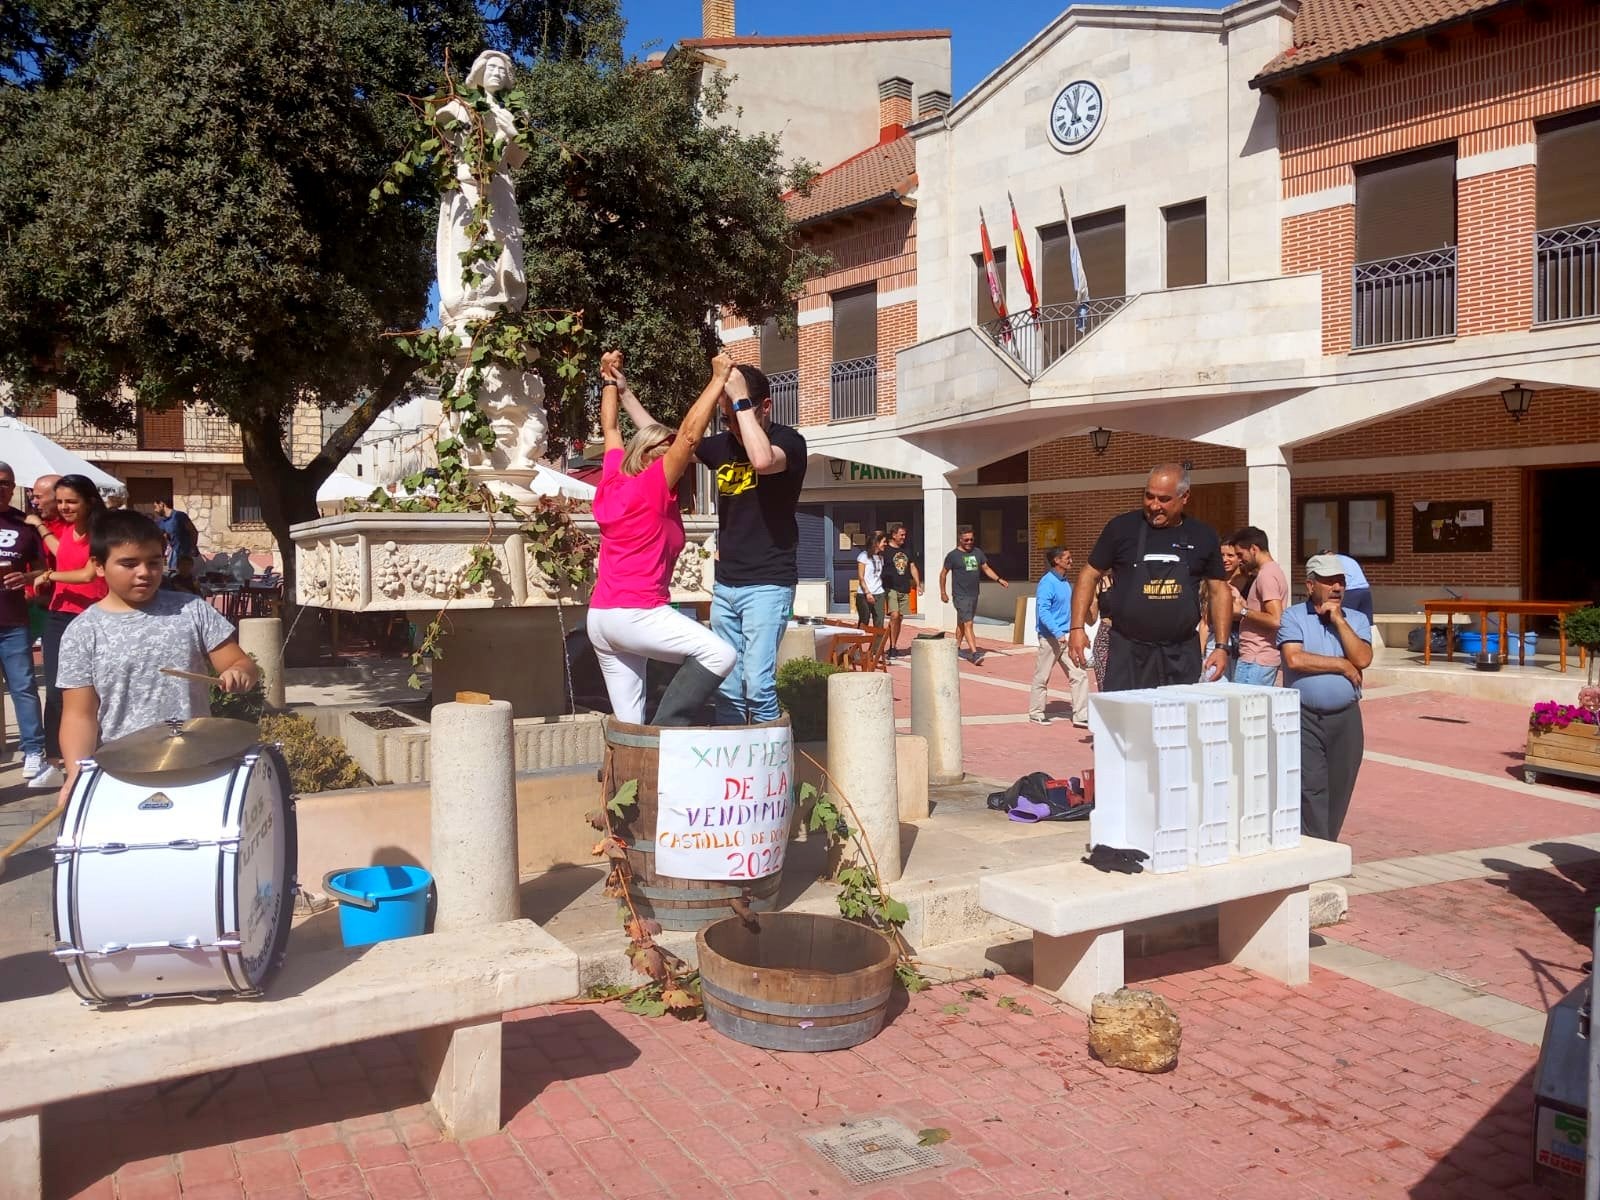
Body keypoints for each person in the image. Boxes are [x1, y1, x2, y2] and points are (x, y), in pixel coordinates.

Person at [55, 510, 259, 803]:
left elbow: (241, 664)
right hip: (122, 771)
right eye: (129, 564)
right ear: (98, 566)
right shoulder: (83, 631)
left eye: (154, 562)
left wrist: (239, 673)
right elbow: (79, 715)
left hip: (197, 764)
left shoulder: (191, 610)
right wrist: (77, 774)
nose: (144, 572)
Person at [586, 350, 736, 726]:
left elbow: (611, 429)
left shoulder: (612, 480)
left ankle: (632, 759)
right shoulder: (650, 487)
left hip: (602, 618)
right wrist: (717, 379)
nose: (675, 455)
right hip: (637, 613)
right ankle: (665, 734)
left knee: (628, 722)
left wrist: (609, 380)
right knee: (720, 655)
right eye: (665, 450)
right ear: (647, 455)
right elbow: (690, 436)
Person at [691, 362, 807, 725]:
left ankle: (774, 758)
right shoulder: (724, 444)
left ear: (765, 406)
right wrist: (625, 393)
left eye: (737, 415)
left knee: (758, 685)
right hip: (726, 585)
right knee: (726, 688)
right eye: (725, 419)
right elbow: (673, 442)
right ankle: (737, 758)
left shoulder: (789, 442)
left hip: (768, 585)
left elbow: (761, 459)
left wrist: (740, 399)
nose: (732, 427)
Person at [1066, 463, 1229, 689]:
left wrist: (1221, 646)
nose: (1154, 505)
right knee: (1123, 712)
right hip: (1128, 653)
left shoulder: (1203, 535)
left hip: (1181, 654)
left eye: (1164, 499)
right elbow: (1089, 575)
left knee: (1179, 711)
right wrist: (1076, 628)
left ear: (1185, 497)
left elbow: (1219, 591)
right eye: (1149, 496)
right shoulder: (1121, 528)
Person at [1278, 554, 1373, 842]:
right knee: (1312, 786)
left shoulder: (1356, 619)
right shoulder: (1293, 616)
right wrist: (1342, 665)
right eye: (1329, 581)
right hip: (1306, 717)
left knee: (1341, 786)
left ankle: (1327, 846)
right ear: (1310, 585)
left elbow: (1363, 658)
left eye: (1340, 581)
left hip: (1346, 718)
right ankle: (1316, 846)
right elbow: (1294, 659)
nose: (1337, 587)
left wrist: (1339, 621)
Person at [29, 475, 109, 770]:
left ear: (90, 501)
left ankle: (97, 750)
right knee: (55, 688)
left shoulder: (102, 531)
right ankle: (55, 756)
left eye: (71, 502)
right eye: (60, 501)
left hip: (93, 616)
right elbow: (59, 549)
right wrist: (38, 525)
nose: (64, 507)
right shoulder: (66, 529)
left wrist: (49, 575)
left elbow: (88, 573)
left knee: (94, 688)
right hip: (59, 615)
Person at [0, 462, 52, 786]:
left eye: (6, 482)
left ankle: (33, 750)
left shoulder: (25, 524)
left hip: (13, 621)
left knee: (23, 688)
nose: (1, 488)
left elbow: (43, 569)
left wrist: (27, 577)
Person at [1029, 546, 1089, 728]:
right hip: (1050, 638)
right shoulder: (1047, 583)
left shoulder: (1065, 582)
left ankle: (1081, 715)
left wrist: (1077, 631)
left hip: (1067, 637)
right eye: (1067, 558)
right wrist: (1057, 633)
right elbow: (1043, 611)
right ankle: (1036, 713)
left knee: (1079, 674)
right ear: (1057, 561)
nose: (1071, 561)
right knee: (1042, 676)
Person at [940, 526, 1008, 664]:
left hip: (974, 594)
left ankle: (956, 647)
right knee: (969, 623)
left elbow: (986, 568)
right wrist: (943, 592)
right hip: (960, 595)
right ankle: (974, 653)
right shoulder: (953, 555)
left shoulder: (977, 552)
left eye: (971, 539)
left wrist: (999, 579)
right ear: (960, 540)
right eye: (966, 540)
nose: (969, 542)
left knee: (962, 622)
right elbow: (943, 574)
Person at [1232, 526, 1289, 687]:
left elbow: (1275, 619)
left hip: (1256, 659)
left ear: (1253, 549)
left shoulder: (1266, 575)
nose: (1239, 560)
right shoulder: (1272, 571)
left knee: (1245, 703)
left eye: (1240, 554)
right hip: (1259, 658)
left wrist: (1243, 611)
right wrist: (1244, 604)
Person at [880, 523, 922, 656]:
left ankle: (893, 646)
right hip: (890, 587)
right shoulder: (885, 550)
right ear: (894, 535)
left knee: (899, 618)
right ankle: (889, 645)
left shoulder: (907, 549)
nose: (904, 537)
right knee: (894, 615)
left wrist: (918, 583)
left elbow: (912, 566)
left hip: (904, 587)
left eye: (905, 535)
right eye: (901, 535)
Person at [153, 496, 198, 574]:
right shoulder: (162, 522)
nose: (155, 510)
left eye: (155, 506)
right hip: (174, 556)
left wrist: (193, 547)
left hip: (186, 555)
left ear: (161, 504)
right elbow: (162, 539)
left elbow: (193, 531)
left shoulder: (179, 516)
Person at [855, 531, 886, 628]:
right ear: (876, 543)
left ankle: (878, 639)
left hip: (879, 593)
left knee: (879, 622)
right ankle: (859, 638)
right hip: (864, 594)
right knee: (864, 621)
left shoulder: (880, 557)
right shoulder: (863, 556)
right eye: (884, 542)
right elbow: (861, 577)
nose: (885, 544)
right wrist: (867, 593)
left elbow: (878, 575)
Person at [1334, 553, 1374, 623]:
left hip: (1350, 590)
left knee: (1346, 620)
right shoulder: (1348, 559)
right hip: (1364, 589)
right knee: (1367, 622)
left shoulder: (1332, 561)